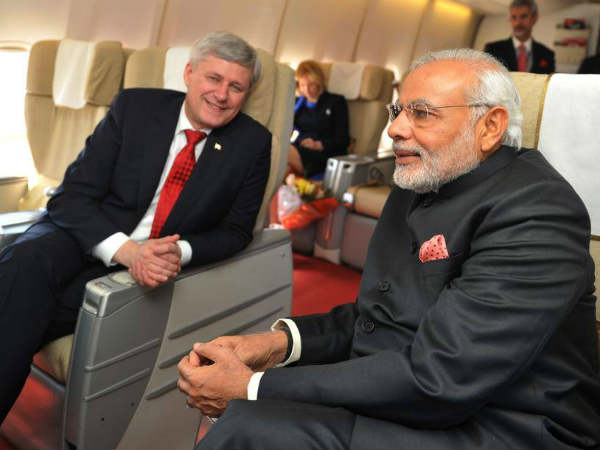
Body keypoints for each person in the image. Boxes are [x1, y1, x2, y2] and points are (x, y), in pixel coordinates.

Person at [177, 48, 600, 449]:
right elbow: (379, 318)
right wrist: (278, 344)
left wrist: (253, 387)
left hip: (507, 426)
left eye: (422, 113)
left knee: (253, 426)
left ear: (490, 127)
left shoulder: (537, 211)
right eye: (397, 111)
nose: (394, 129)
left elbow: (442, 378)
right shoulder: (418, 183)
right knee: (252, 418)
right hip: (423, 393)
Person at [0, 31, 271, 424]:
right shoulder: (136, 108)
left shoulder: (252, 143)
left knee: (20, 302)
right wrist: (127, 251)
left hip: (143, 266)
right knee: (23, 262)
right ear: (189, 73)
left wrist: (179, 251)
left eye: (236, 87)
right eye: (213, 78)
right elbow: (71, 196)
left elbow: (237, 230)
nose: (222, 95)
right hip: (84, 234)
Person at [288, 60, 350, 177]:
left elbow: (343, 140)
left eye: (311, 85)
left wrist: (317, 145)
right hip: (300, 149)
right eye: (302, 85)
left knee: (283, 152)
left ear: (319, 82)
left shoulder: (336, 102)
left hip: (326, 154)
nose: (306, 90)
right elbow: (292, 130)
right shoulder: (297, 103)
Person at [484, 0, 555, 74]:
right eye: (514, 17)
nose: (518, 23)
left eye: (523, 16)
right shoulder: (492, 50)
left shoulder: (547, 55)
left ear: (534, 18)